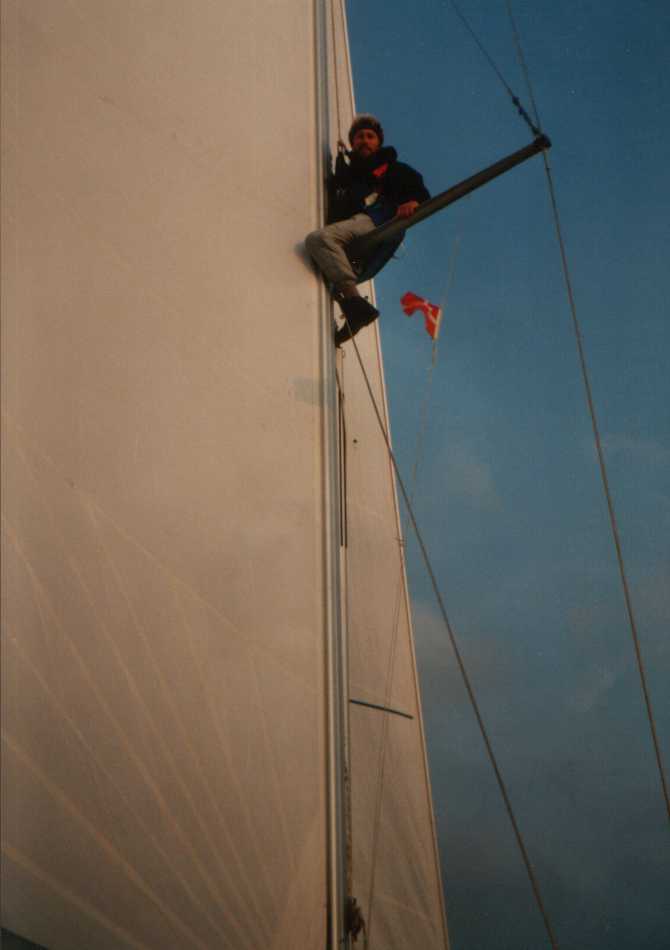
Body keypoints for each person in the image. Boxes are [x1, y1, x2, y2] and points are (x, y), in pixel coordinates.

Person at [305, 114, 430, 345]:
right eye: (360, 136)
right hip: (354, 236)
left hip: (378, 220)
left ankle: (355, 305)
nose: (364, 140)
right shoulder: (349, 174)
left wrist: (413, 202)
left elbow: (419, 192)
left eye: (370, 136)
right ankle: (354, 311)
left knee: (319, 240)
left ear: (378, 142)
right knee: (330, 270)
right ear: (353, 142)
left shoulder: (392, 168)